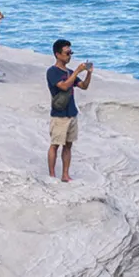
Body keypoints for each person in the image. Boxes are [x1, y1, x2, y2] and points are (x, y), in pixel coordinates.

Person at [47, 39, 92, 181]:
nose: (69, 55)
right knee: (55, 144)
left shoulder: (70, 72)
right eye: (67, 53)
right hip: (59, 114)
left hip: (71, 112)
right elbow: (64, 86)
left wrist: (88, 73)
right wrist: (77, 71)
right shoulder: (52, 71)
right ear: (57, 54)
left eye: (70, 52)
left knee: (68, 145)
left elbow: (83, 86)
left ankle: (65, 175)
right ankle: (52, 175)